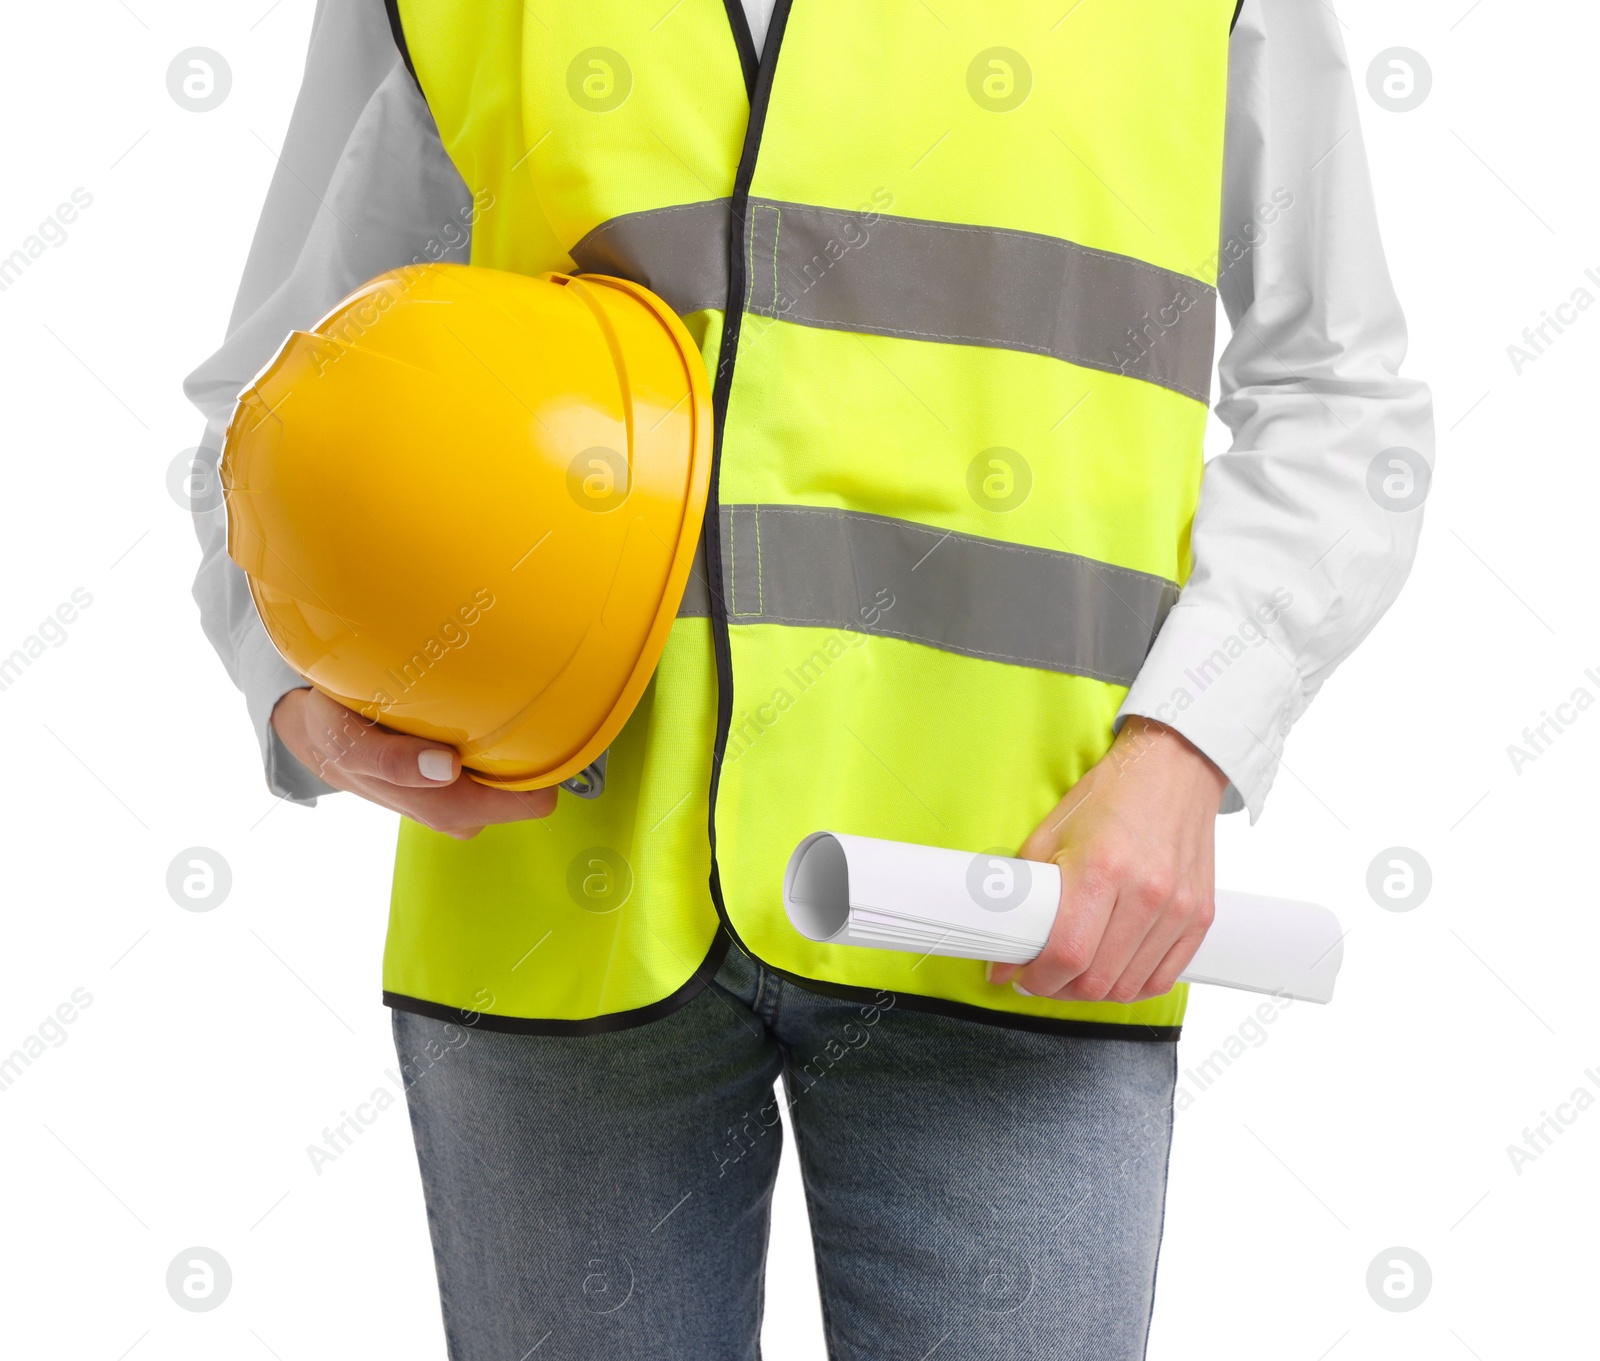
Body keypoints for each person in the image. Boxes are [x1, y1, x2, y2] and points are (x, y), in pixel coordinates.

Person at [185, 1, 1432, 1357]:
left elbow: (1336, 387)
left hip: (1018, 906)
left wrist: (1187, 743)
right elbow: (285, 390)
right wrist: (297, 689)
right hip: (551, 914)